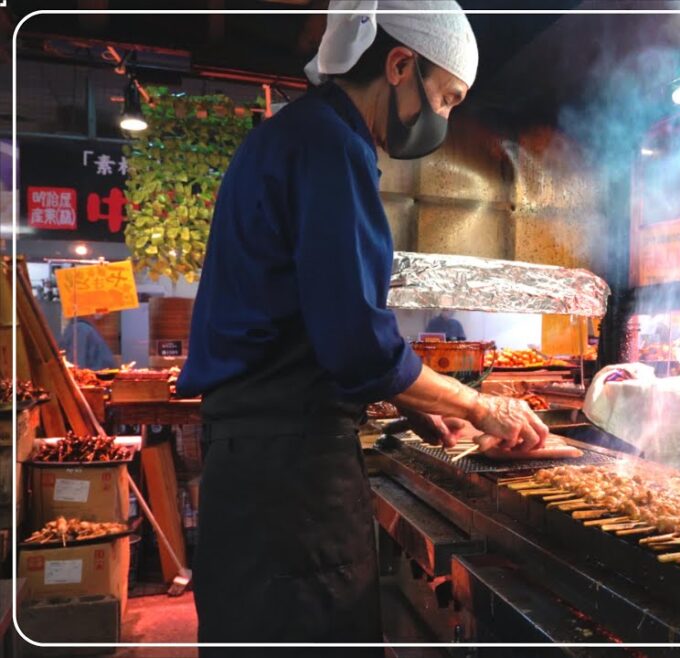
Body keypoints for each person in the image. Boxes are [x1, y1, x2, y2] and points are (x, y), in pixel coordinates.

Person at [175, 2, 548, 654]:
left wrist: (419, 405)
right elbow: (355, 342)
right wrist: (479, 405)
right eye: (447, 98)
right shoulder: (331, 146)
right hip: (291, 489)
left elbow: (315, 325)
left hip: (255, 471)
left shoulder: (291, 134)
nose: (447, 118)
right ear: (400, 64)